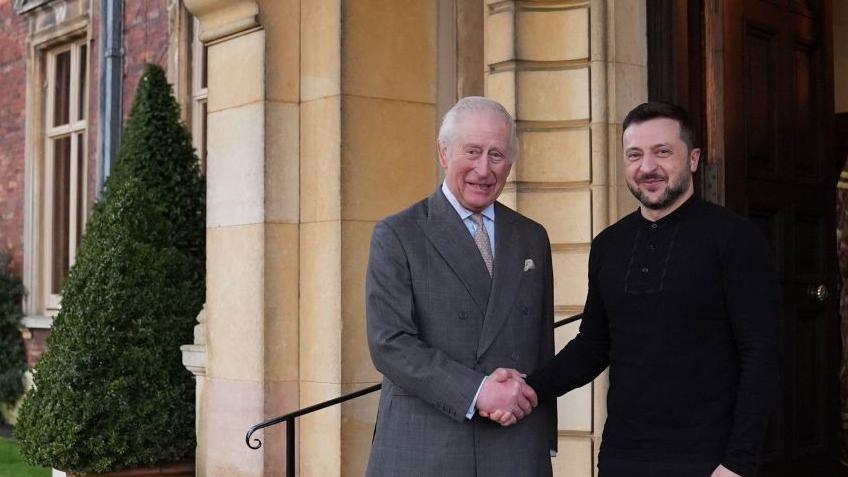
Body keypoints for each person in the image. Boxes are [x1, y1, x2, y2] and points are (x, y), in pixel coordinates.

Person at [486, 101, 781, 477]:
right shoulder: (610, 244)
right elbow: (594, 344)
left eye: (662, 152)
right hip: (622, 456)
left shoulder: (735, 238)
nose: (647, 167)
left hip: (708, 459)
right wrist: (530, 389)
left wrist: (738, 460)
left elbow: (762, 354)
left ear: (692, 159)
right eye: (634, 155)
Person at [365, 96, 557, 476]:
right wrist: (477, 390)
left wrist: (542, 440)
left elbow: (540, 345)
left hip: (515, 446)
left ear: (511, 162)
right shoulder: (397, 234)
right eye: (472, 151)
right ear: (443, 152)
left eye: (497, 155)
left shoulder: (532, 237)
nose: (483, 169)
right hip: (427, 447)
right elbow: (389, 344)